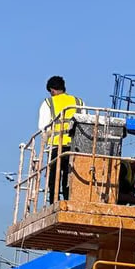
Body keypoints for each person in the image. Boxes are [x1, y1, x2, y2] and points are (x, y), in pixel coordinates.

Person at [38, 75, 85, 203]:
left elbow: (43, 128)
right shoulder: (78, 102)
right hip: (74, 146)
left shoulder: (48, 103)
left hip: (56, 146)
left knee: (54, 177)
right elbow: (85, 124)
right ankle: (69, 200)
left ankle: (54, 201)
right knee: (70, 176)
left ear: (52, 90)